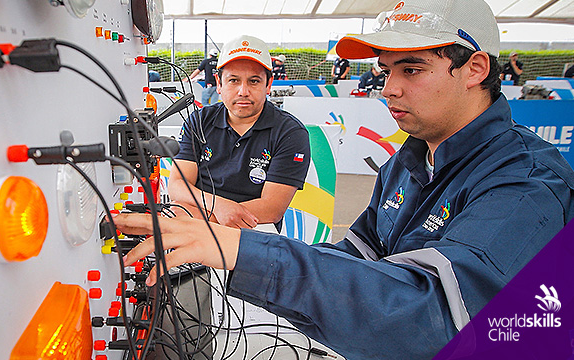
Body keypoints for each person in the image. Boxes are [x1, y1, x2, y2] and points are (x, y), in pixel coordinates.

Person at [114, 0, 574, 358]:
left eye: (410, 69)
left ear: (475, 69)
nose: (389, 89)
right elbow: (354, 261)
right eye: (386, 71)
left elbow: (433, 320)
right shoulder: (404, 165)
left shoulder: (526, 181)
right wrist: (241, 259)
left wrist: (241, 249)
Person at [170, 35, 310, 231]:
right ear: (219, 83)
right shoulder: (199, 120)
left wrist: (201, 221)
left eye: (253, 81)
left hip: (254, 231)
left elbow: (271, 208)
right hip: (197, 222)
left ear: (268, 85)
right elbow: (177, 185)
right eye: (233, 80)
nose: (243, 91)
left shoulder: (290, 132)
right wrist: (219, 207)